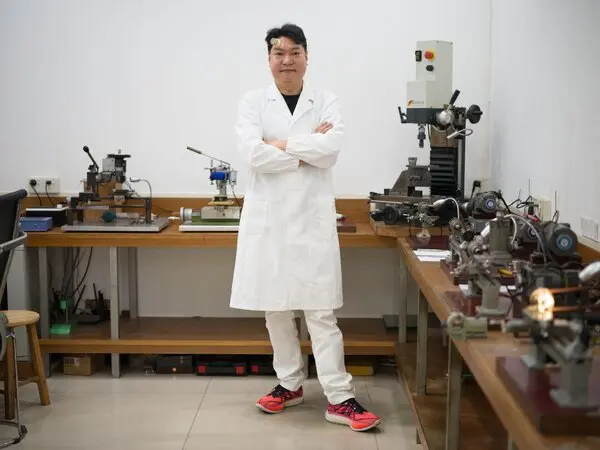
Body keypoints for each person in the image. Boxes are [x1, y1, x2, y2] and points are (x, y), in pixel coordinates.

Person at [229, 23, 381, 432]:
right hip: (270, 222)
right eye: (279, 53)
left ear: (306, 57)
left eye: (294, 53)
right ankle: (289, 384)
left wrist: (278, 144)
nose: (287, 60)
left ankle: (340, 398)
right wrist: (303, 146)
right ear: (269, 59)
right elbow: (251, 154)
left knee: (320, 311)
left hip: (311, 222)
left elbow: (330, 151)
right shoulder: (252, 101)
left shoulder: (325, 100)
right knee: (276, 310)